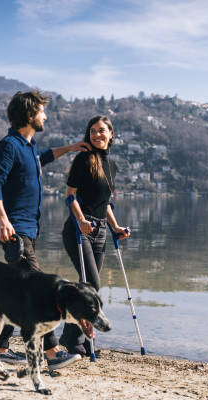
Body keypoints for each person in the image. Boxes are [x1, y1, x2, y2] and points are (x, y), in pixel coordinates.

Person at [0, 90, 91, 370]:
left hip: (28, 230)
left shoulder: (28, 147)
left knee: (19, 291)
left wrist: (69, 148)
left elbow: (40, 159)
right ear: (30, 115)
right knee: (41, 288)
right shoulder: (9, 146)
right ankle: (53, 353)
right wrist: (2, 220)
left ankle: (2, 347)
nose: (46, 115)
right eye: (42, 111)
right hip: (15, 230)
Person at [59, 115, 130, 356]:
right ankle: (73, 339)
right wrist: (80, 220)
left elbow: (105, 203)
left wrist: (116, 228)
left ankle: (71, 337)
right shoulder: (83, 159)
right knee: (93, 285)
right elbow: (70, 194)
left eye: (101, 131)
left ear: (111, 134)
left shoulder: (112, 166)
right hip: (79, 231)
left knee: (87, 286)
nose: (96, 135)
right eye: (92, 131)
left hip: (99, 232)